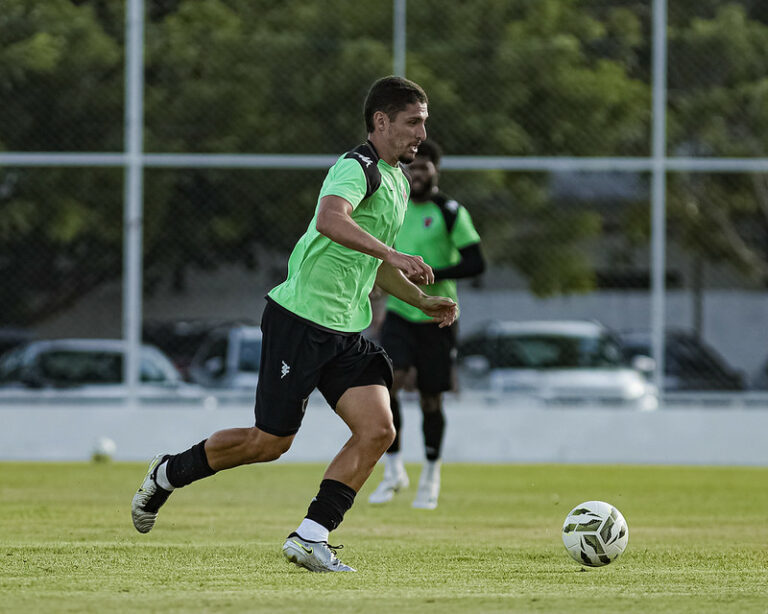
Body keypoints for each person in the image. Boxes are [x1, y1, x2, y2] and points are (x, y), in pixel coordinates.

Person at [130, 76, 457, 573]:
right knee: (269, 443)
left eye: (424, 123)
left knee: (378, 429)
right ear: (381, 121)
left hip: (347, 330)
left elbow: (374, 263)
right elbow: (331, 220)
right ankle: (168, 473)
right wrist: (393, 251)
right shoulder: (357, 167)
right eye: (413, 122)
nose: (421, 132)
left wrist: (420, 299)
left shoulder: (395, 180)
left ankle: (311, 536)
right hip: (300, 321)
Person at [368, 139, 485, 510]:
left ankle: (431, 476)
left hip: (438, 316)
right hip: (401, 313)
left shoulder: (449, 211)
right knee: (390, 385)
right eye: (412, 168)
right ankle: (394, 469)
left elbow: (475, 263)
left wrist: (431, 276)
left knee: (431, 398)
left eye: (423, 168)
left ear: (435, 170)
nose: (415, 174)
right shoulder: (396, 205)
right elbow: (381, 254)